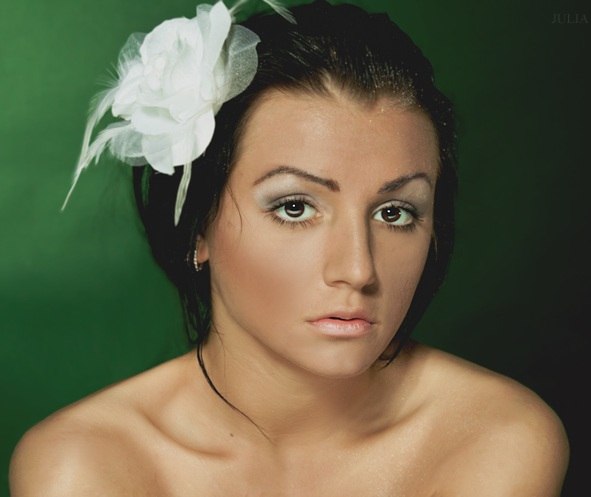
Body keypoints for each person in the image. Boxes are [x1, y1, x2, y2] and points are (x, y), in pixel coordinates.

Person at [9, 1, 569, 495]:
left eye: (394, 213)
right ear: (197, 228)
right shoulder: (83, 467)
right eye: (295, 207)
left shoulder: (495, 437)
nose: (358, 269)